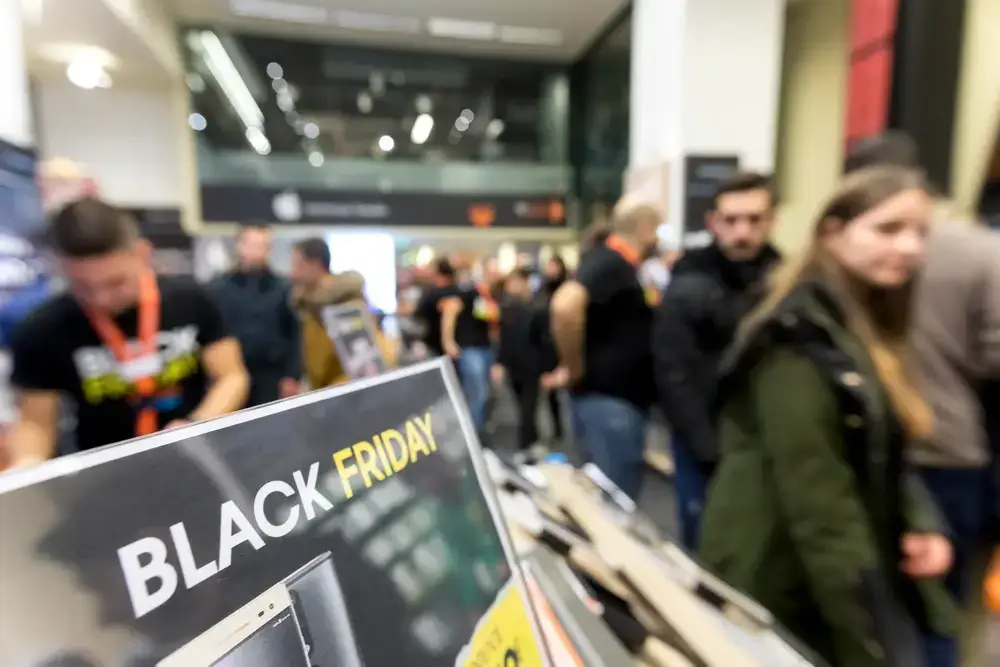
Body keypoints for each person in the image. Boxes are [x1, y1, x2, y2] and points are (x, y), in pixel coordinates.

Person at [699, 166, 956, 667]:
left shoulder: (856, 326)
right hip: (782, 579)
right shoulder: (796, 340)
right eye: (888, 229)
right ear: (833, 232)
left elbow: (876, 443)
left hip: (830, 572)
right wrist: (871, 646)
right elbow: (819, 507)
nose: (908, 247)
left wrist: (915, 518)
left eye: (919, 233)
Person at [845, 131, 1000, 666]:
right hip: (951, 446)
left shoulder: (848, 250)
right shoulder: (981, 251)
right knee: (942, 608)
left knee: (870, 606)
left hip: (873, 446)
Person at [5, 198, 249, 466]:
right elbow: (36, 423)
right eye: (82, 286)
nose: (100, 299)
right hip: (99, 471)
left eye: (116, 282)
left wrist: (196, 425)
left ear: (143, 253)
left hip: (194, 459)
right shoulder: (42, 329)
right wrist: (26, 469)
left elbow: (231, 376)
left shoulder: (192, 300)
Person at [653, 171, 781, 549]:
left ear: (771, 220)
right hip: (707, 441)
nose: (742, 232)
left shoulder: (784, 280)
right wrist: (707, 448)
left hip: (768, 443)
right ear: (713, 223)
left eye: (755, 219)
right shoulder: (689, 284)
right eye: (731, 220)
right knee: (707, 544)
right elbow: (673, 373)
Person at [549, 198, 661, 499]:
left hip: (613, 401)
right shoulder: (610, 262)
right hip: (609, 402)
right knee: (613, 502)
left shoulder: (616, 264)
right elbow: (564, 306)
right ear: (645, 228)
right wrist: (574, 367)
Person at [209, 224, 300, 407]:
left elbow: (294, 333)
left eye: (264, 245)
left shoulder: (283, 288)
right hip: (230, 373)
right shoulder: (218, 288)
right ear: (239, 245)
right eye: (253, 244)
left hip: (271, 375)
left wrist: (292, 375)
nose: (258, 251)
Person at [289, 238, 391, 389]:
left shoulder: (344, 302)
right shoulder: (308, 304)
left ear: (315, 264)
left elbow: (365, 364)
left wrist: (330, 397)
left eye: (297, 264)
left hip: (347, 398)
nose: (293, 273)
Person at [441, 263, 499, 436]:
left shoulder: (491, 297)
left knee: (483, 393)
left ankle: (476, 428)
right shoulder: (469, 293)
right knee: (476, 392)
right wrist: (448, 341)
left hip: (486, 349)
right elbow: (450, 310)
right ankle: (472, 432)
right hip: (470, 350)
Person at [493, 267, 543, 452]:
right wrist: (500, 362)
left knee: (528, 406)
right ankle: (530, 440)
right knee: (522, 404)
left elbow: (543, 339)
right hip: (515, 364)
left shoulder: (537, 306)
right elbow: (504, 339)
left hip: (532, 363)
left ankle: (528, 443)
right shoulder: (506, 308)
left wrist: (547, 367)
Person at [414, 258, 462, 359]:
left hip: (439, 347)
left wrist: (448, 342)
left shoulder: (444, 293)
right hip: (433, 344)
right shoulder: (432, 291)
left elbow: (449, 314)